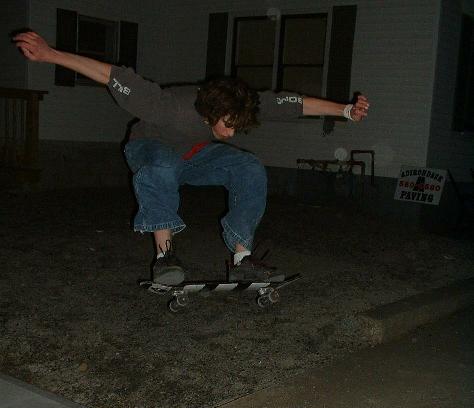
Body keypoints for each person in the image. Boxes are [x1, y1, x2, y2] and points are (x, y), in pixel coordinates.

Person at [14, 30, 369, 284]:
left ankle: (242, 258)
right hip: (148, 148)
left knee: (247, 166)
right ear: (211, 111)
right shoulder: (169, 106)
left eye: (237, 127)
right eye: (228, 125)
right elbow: (110, 75)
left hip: (193, 155)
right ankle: (165, 257)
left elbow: (296, 104)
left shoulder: (238, 104)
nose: (231, 133)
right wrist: (50, 54)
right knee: (163, 164)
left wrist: (345, 110)